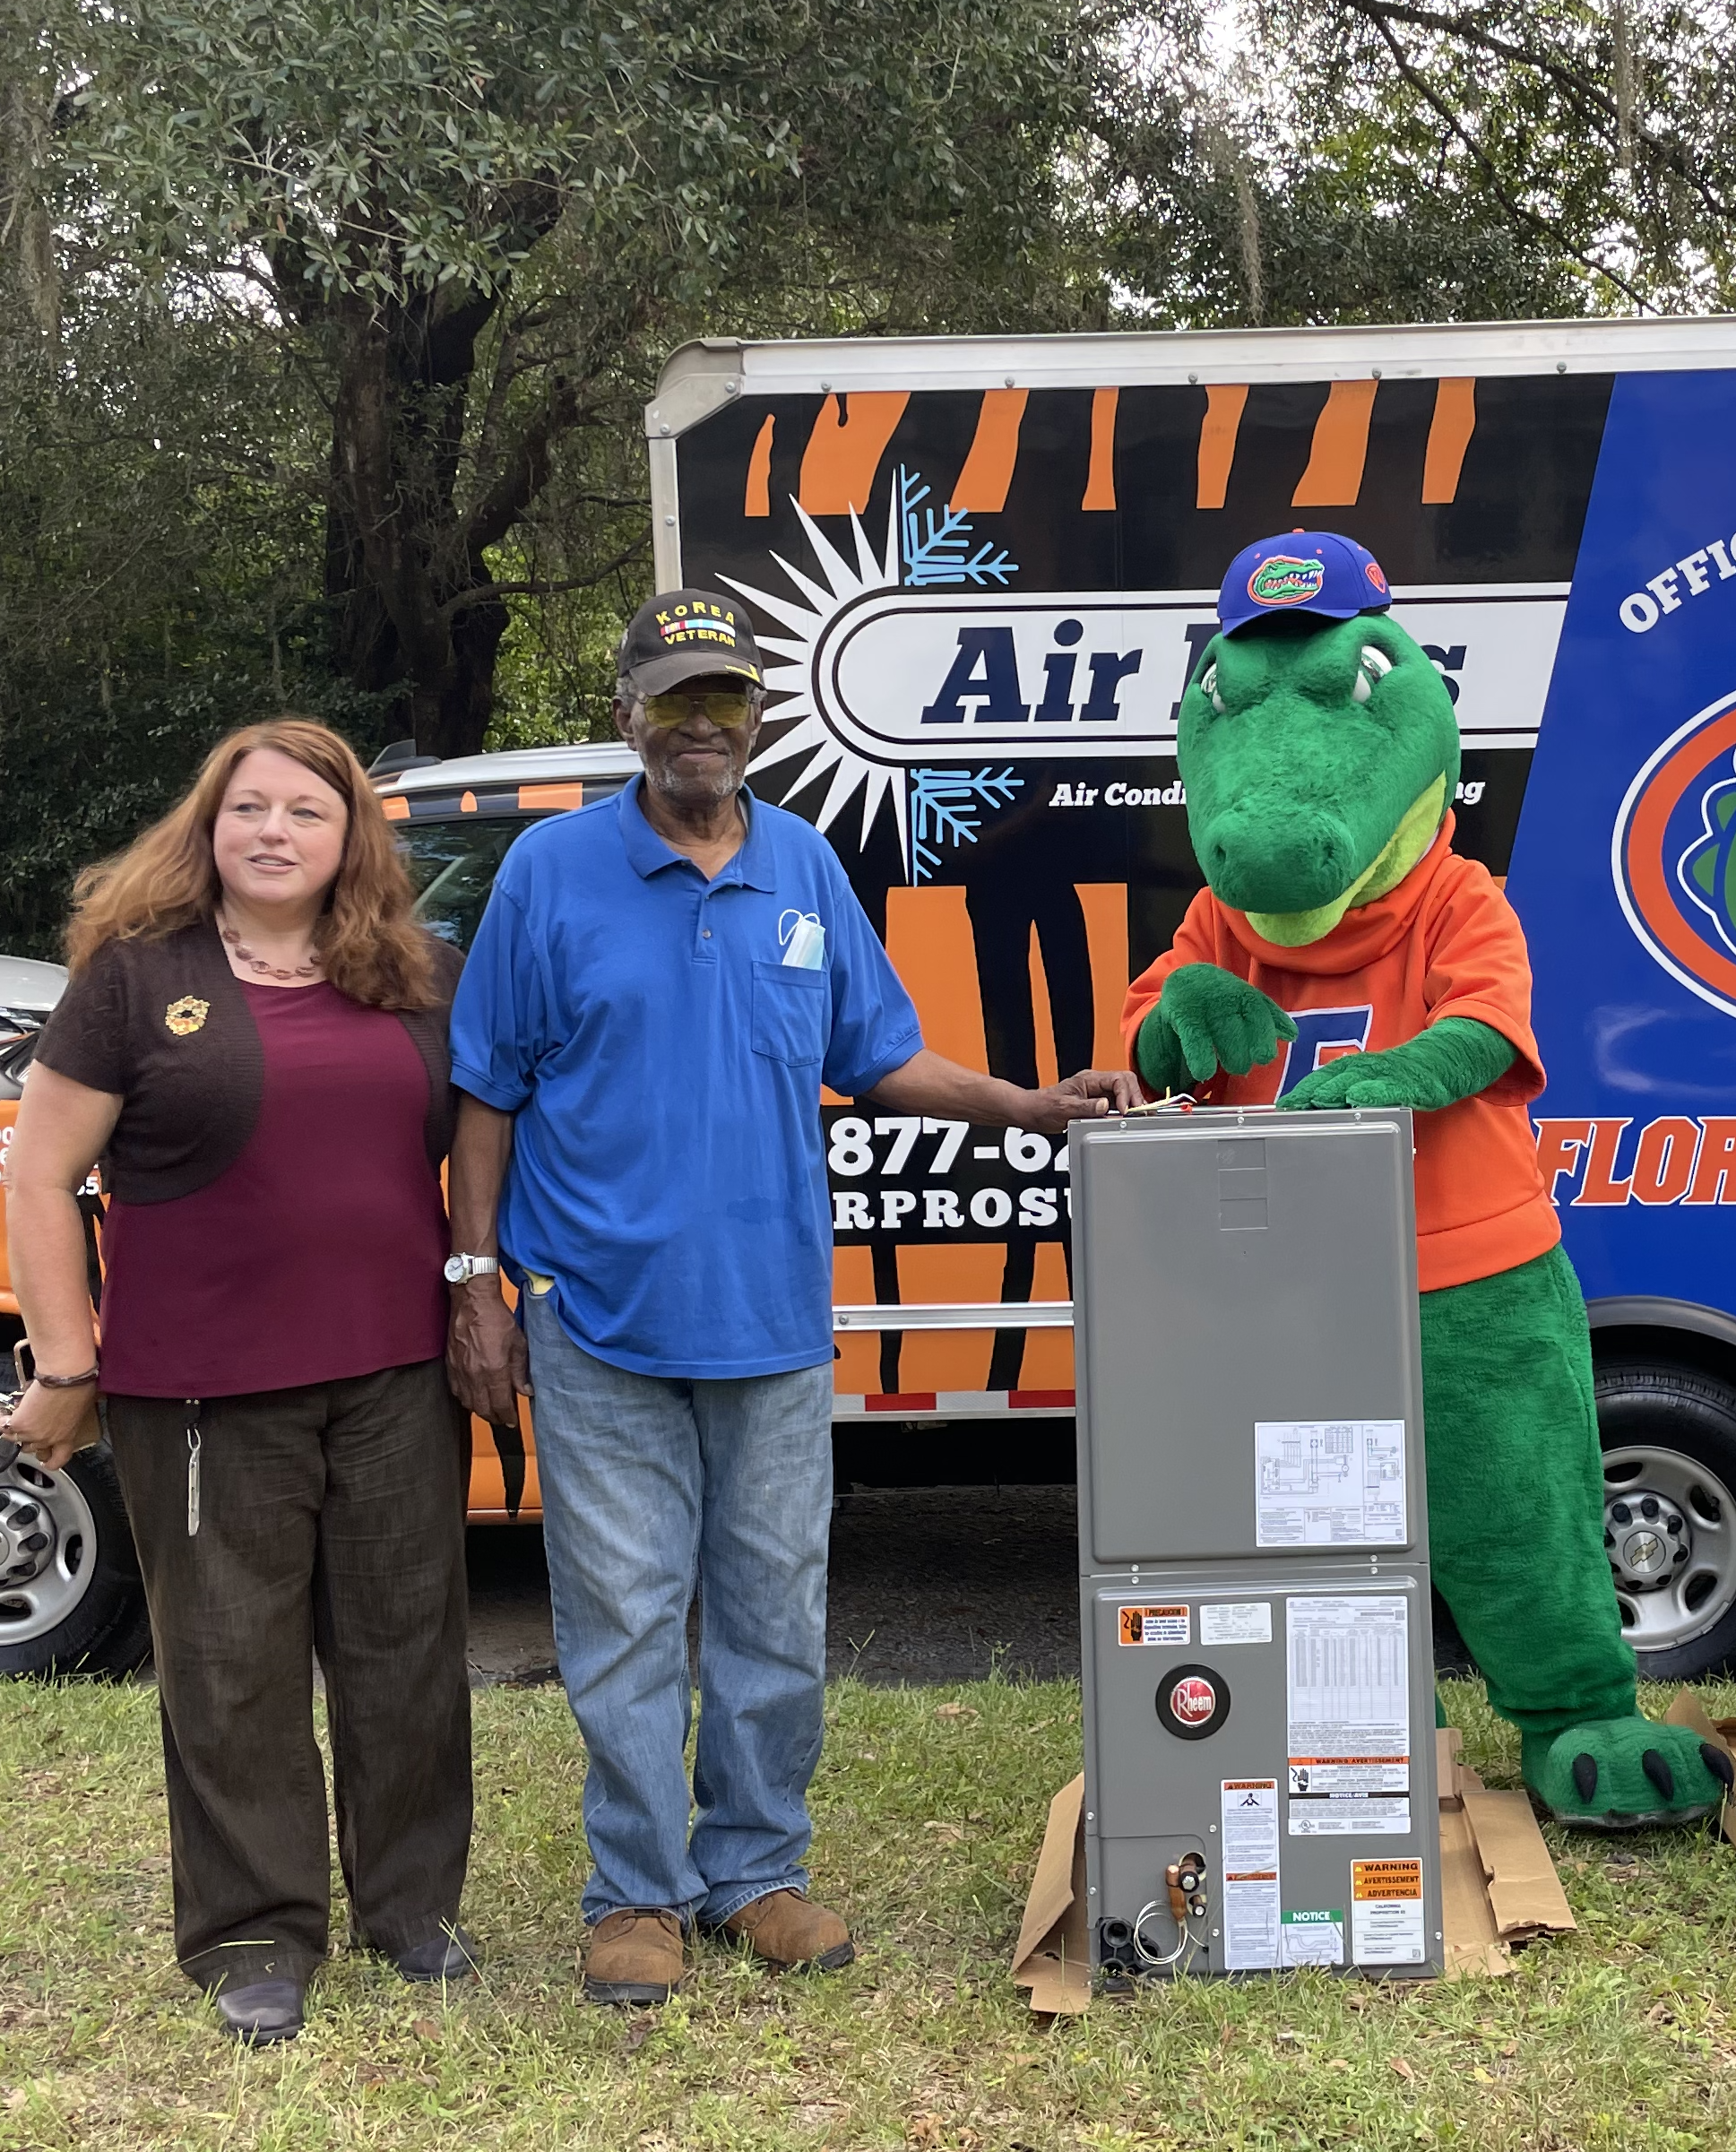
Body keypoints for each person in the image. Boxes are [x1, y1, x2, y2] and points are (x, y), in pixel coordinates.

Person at [446, 591, 1141, 2006]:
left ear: (754, 720)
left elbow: (881, 1054)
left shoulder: (805, 868)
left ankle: (755, 1871)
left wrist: (1026, 1104)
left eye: (727, 701)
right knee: (625, 1617)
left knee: (774, 1609)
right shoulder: (549, 873)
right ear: (631, 710)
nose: (702, 725)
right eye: (676, 698)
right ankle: (636, 1893)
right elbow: (485, 1093)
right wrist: (478, 1280)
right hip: (595, 1315)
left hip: (768, 1317)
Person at [0, 718, 476, 2046]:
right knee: (230, 1667)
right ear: (208, 826)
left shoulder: (420, 975)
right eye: (249, 807)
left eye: (306, 813)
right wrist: (67, 1362)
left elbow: (484, 1142)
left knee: (408, 1655)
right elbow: (38, 1179)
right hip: (203, 1391)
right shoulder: (135, 979)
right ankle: (255, 1932)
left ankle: (411, 1910)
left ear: (351, 840)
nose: (274, 831)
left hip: (393, 1375)